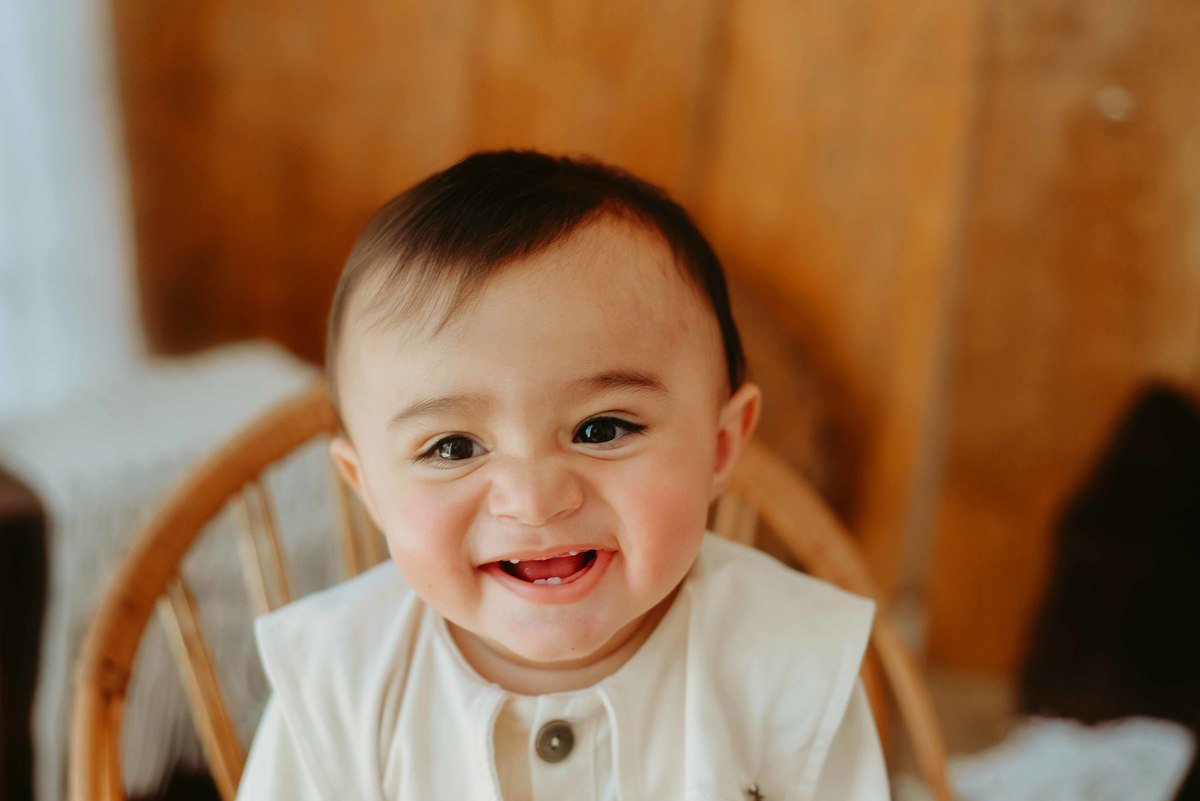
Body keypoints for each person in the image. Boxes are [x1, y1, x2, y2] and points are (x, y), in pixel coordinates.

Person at [236, 150, 888, 800]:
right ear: (367, 488)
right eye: (454, 447)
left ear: (719, 448)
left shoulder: (791, 665)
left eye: (601, 430)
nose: (534, 500)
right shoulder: (332, 683)